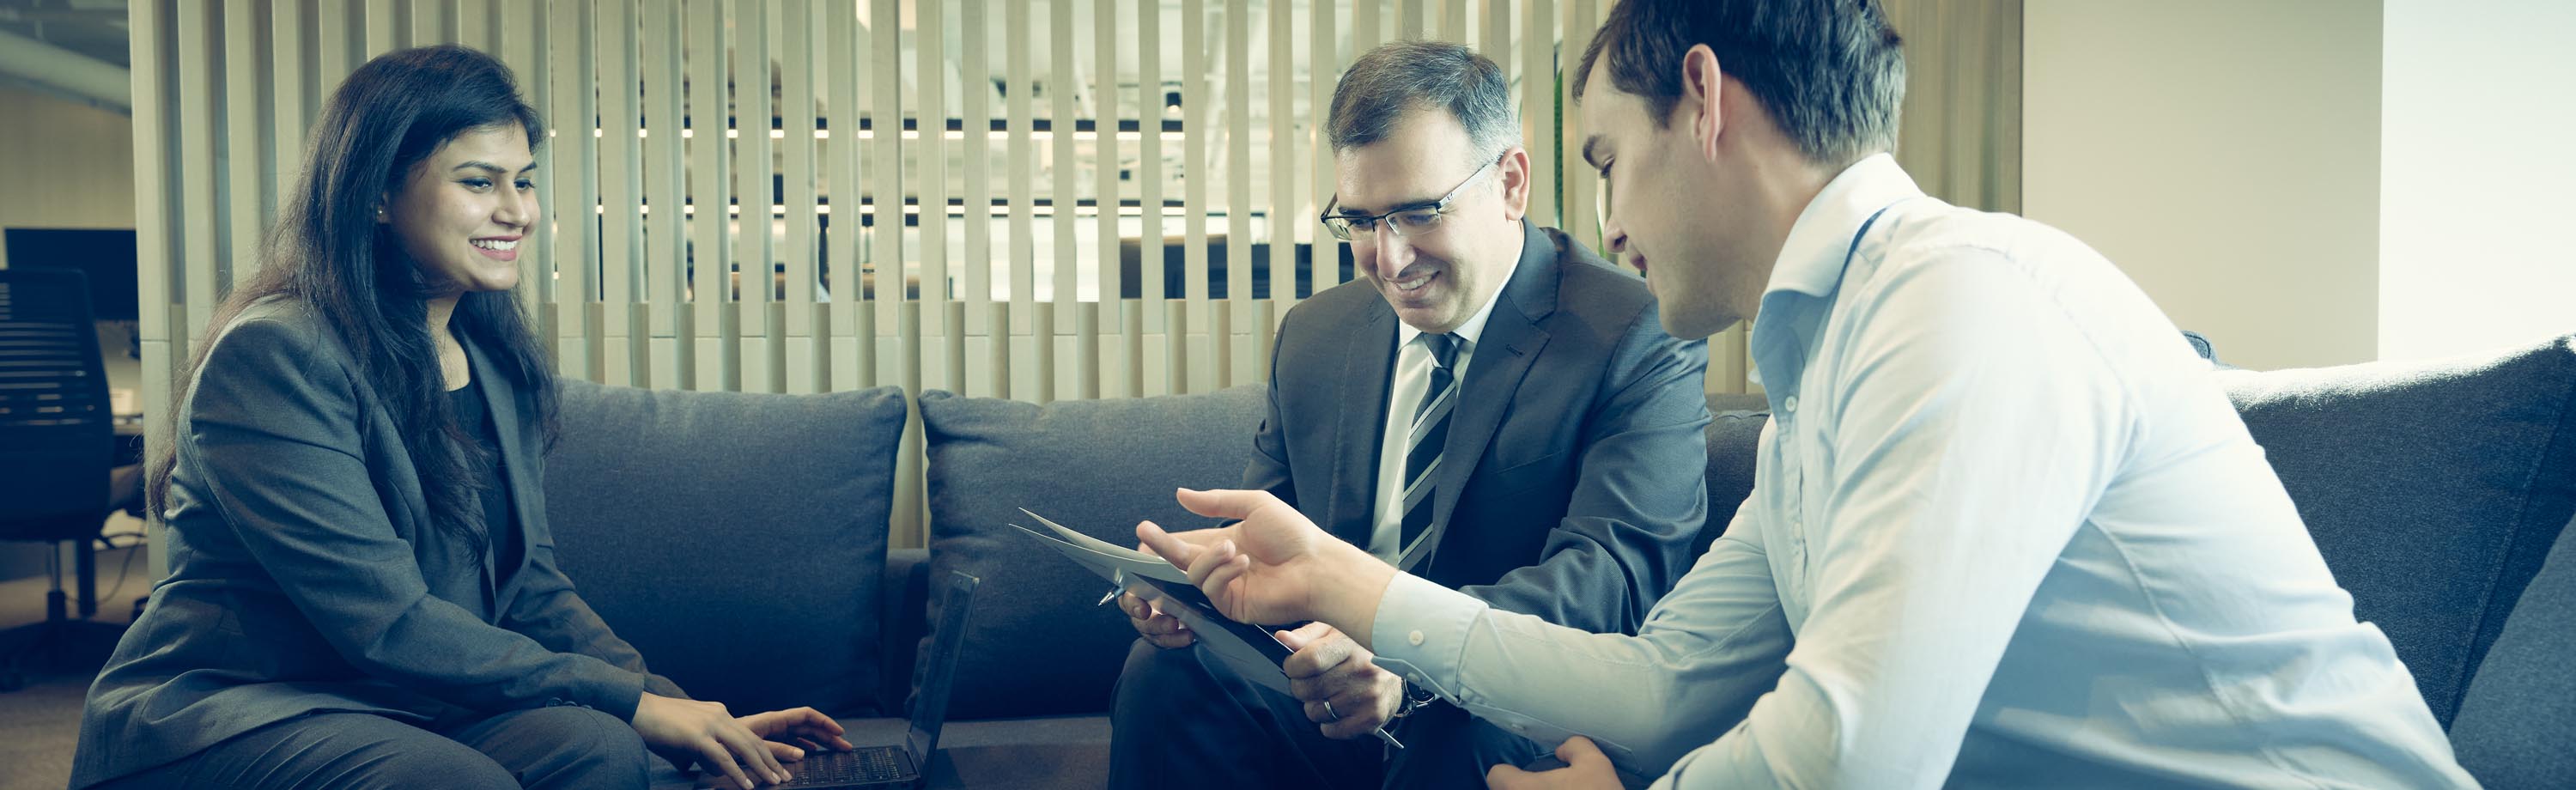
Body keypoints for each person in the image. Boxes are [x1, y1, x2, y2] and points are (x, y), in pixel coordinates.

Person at [1135, 1, 2482, 788]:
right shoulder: (1828, 378)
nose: (1606, 220)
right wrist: (1334, 580)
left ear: (1705, 103)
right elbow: (1660, 686)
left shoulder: (1963, 300)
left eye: (1607, 159)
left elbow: (1852, 755)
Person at [71, 46, 849, 790]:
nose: (518, 212)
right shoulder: (276, 356)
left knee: (594, 747)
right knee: (453, 779)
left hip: (397, 704)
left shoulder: (490, 356)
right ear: (376, 193)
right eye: (480, 182)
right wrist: (638, 705)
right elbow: (386, 622)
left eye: (525, 182)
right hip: (243, 705)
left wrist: (682, 709)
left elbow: (531, 589)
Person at [1107, 40, 1715, 790]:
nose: (1389, 260)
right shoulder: (1314, 336)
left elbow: (1612, 580)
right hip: (1329, 690)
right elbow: (1276, 542)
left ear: (1511, 184)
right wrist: (1205, 595)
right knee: (1164, 678)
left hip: (1501, 705)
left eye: (1418, 213)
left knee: (1450, 745)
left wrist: (1402, 659)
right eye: (1360, 222)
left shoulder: (1632, 332)